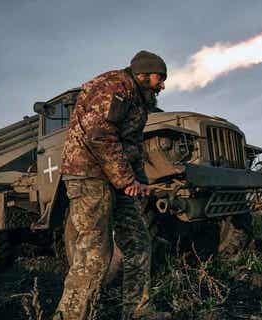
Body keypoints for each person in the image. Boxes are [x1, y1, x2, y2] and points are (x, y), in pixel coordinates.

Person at [55, 50, 169, 320]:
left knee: (139, 242)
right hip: (90, 174)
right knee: (95, 252)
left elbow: (130, 145)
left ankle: (136, 311)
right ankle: (70, 316)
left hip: (116, 178)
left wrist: (139, 184)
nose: (163, 84)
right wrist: (127, 181)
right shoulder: (115, 87)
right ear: (143, 73)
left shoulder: (139, 97)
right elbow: (100, 135)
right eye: (159, 77)